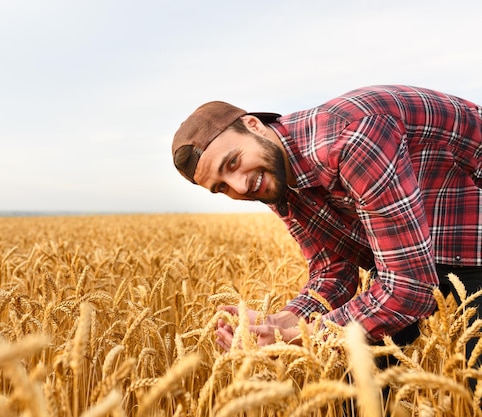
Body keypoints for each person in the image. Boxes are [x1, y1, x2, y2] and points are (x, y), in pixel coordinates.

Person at [171, 85, 482, 352]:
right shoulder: (272, 175)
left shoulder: (351, 140)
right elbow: (333, 272)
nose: (240, 186)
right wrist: (277, 323)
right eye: (221, 187)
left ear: (254, 126)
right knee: (360, 382)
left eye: (234, 162)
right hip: (419, 245)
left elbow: (408, 288)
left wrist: (298, 338)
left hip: (471, 227)